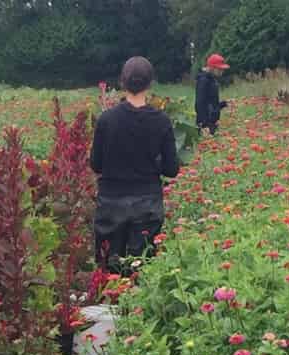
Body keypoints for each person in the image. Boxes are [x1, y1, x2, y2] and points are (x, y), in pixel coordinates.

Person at [90, 56, 180, 271]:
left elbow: (96, 165)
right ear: (150, 84)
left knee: (109, 270)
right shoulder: (161, 120)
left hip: (111, 203)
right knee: (141, 270)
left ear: (122, 82)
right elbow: (171, 169)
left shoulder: (107, 119)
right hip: (147, 203)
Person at [196, 53, 230, 135]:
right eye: (220, 69)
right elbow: (200, 103)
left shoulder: (212, 79)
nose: (222, 71)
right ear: (212, 67)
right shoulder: (203, 81)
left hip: (212, 122)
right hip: (207, 124)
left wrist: (224, 104)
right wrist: (204, 125)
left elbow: (212, 103)